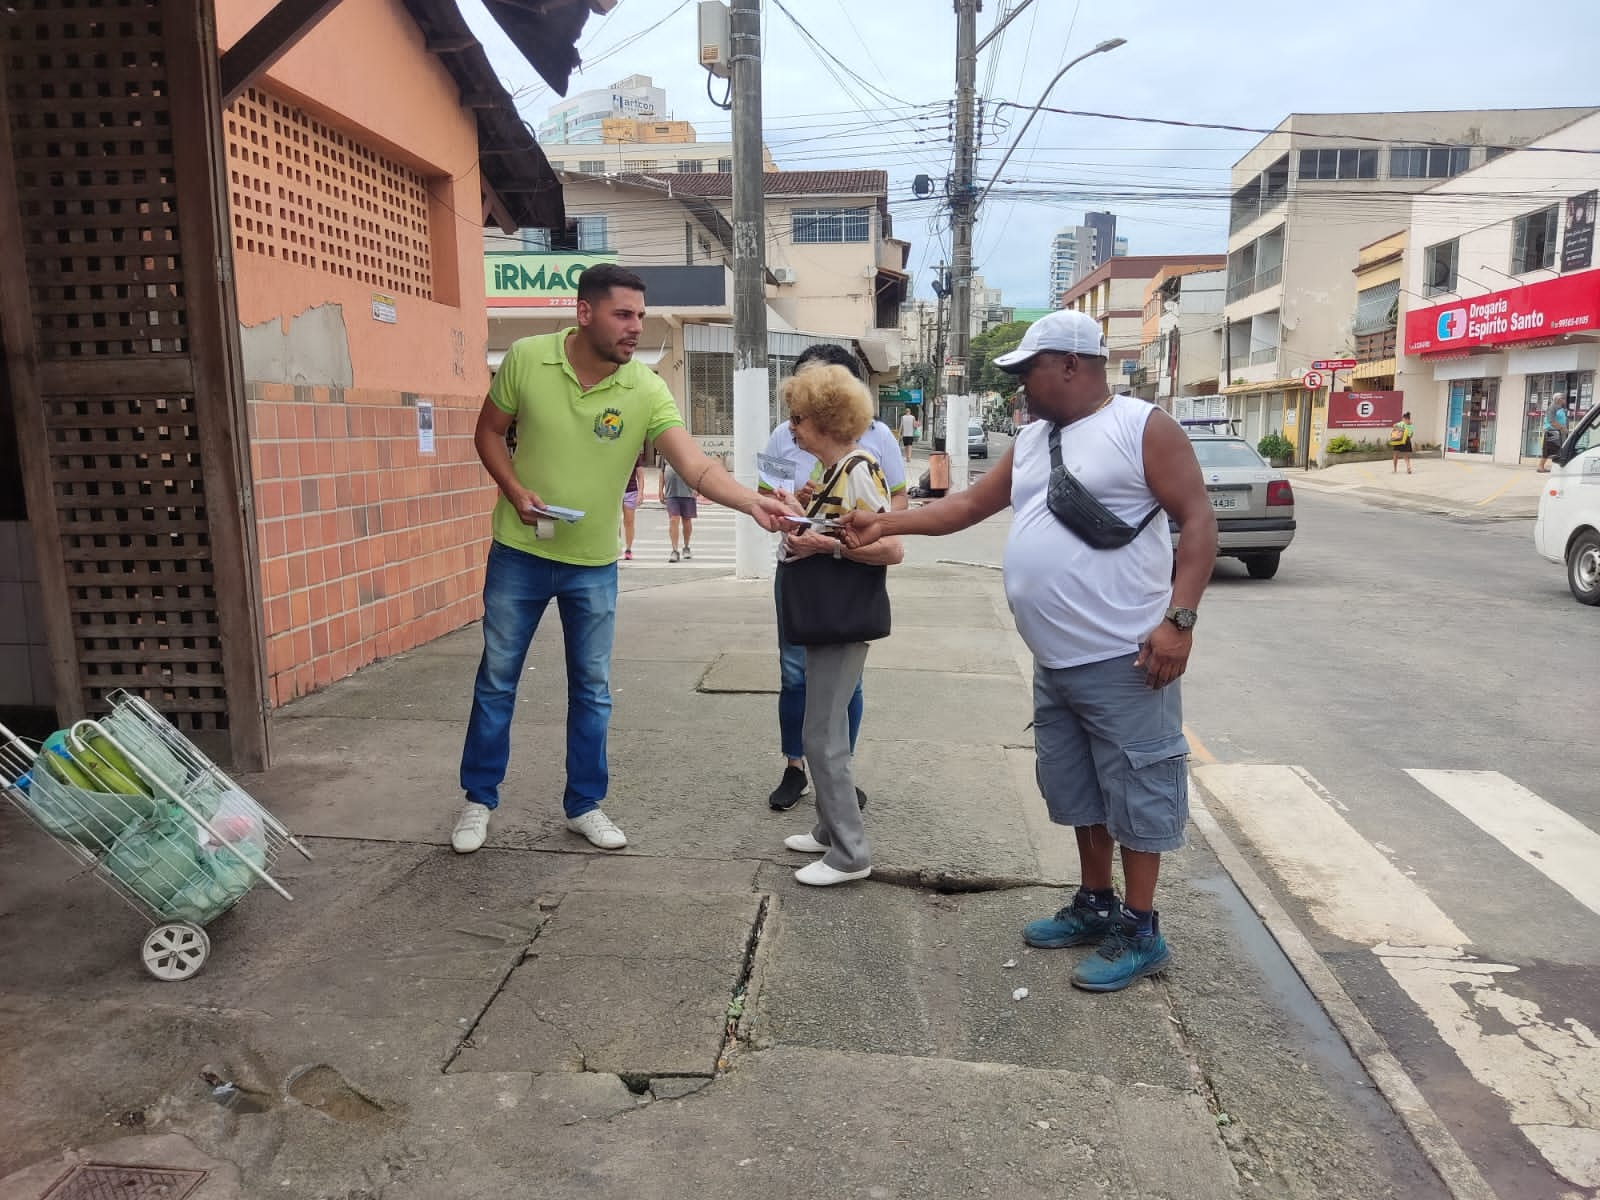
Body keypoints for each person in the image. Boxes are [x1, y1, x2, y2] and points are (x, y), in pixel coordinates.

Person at [842, 310, 1218, 990]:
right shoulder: (1034, 438)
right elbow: (962, 508)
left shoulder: (1142, 428)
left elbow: (1197, 519)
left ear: (1072, 364)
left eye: (1028, 370)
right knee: (1079, 792)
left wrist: (1179, 620)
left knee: (1138, 789)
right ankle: (1094, 903)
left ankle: (1140, 927)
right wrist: (883, 523)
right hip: (1057, 662)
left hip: (1127, 658)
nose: (1019, 384)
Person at [452, 264, 789, 855]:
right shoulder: (528, 359)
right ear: (585, 313)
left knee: (592, 687)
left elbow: (696, 467)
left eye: (640, 315)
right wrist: (513, 489)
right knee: (498, 680)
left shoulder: (646, 388)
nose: (636, 327)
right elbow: (487, 432)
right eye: (623, 315)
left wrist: (750, 502)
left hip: (593, 562)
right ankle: (478, 800)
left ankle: (584, 804)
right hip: (519, 553)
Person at [759, 344, 908, 813]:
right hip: (805, 583)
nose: (792, 426)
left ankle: (840, 799)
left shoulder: (866, 454)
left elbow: (889, 535)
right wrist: (801, 509)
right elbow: (771, 496)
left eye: (799, 414)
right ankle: (806, 776)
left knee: (836, 701)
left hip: (837, 590)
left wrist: (824, 542)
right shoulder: (793, 442)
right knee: (797, 680)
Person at [660, 458, 697, 562]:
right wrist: (660, 490)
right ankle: (674, 550)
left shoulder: (689, 451)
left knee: (686, 520)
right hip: (671, 493)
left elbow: (697, 471)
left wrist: (697, 488)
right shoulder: (665, 452)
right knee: (673, 519)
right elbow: (662, 472)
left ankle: (686, 546)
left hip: (688, 492)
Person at [620, 449, 643, 560]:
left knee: (628, 522)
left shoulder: (634, 453)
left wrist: (640, 493)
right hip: (615, 491)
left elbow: (640, 475)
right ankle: (616, 547)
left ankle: (628, 549)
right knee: (615, 523)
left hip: (631, 491)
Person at [1538, 396, 1570, 472]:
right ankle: (1540, 466)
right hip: (1551, 432)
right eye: (1563, 398)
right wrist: (1563, 428)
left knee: (1558, 450)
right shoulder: (1552, 407)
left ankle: (1558, 467)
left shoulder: (1561, 408)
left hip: (1558, 432)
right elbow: (1551, 421)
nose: (1564, 400)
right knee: (1547, 450)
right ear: (1558, 399)